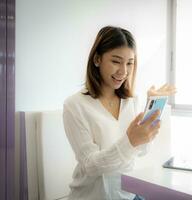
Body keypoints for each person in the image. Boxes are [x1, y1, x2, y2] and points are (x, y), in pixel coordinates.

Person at [63, 26, 176, 200]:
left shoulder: (132, 100)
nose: (123, 71)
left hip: (128, 194)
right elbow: (91, 166)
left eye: (130, 63)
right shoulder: (75, 105)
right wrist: (130, 140)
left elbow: (141, 150)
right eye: (116, 61)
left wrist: (150, 114)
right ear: (97, 59)